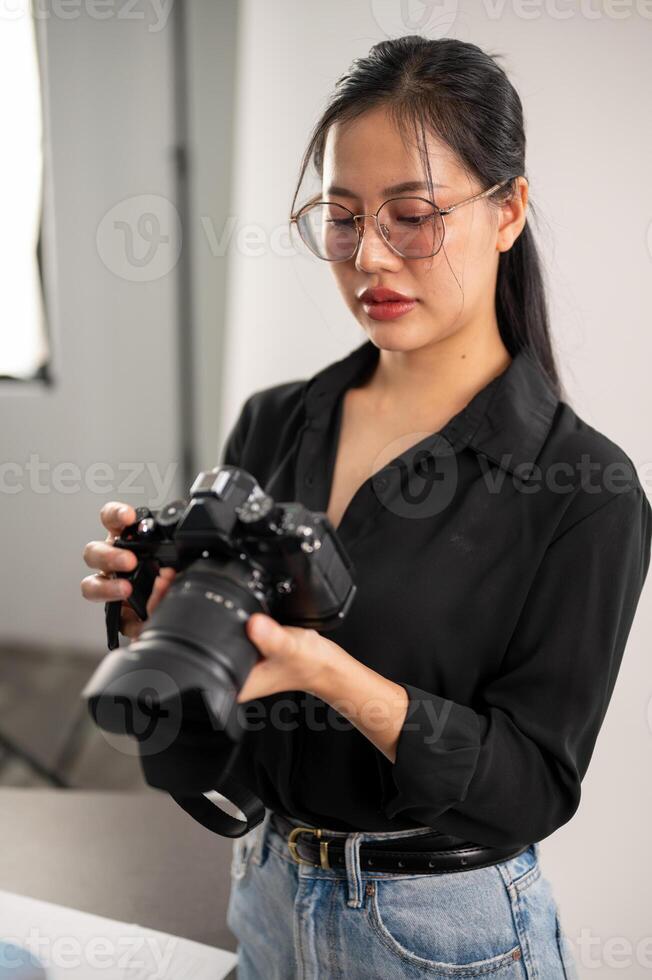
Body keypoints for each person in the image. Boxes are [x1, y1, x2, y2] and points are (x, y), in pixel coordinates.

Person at [81, 36, 651, 980]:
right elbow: (218, 751)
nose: (369, 257)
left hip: (441, 937)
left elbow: (532, 789)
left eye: (413, 216)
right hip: (266, 893)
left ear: (508, 211)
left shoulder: (586, 491)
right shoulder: (273, 424)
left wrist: (332, 676)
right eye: (342, 219)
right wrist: (161, 633)